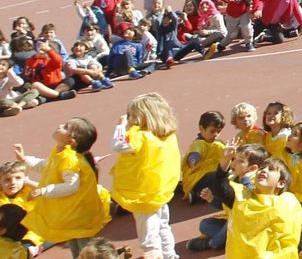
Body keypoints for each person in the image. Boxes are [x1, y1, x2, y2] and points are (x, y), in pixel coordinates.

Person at [20, 118, 112, 254]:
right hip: (70, 212)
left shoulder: (70, 159)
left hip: (78, 214)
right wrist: (25, 159)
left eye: (65, 127)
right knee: (74, 245)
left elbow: (71, 186)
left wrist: (44, 190)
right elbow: (48, 166)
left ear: (71, 141)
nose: (60, 125)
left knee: (86, 249)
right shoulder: (61, 153)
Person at [110, 92, 182, 259]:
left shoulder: (141, 136)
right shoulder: (166, 134)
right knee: (163, 226)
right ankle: (170, 255)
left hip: (144, 193)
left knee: (148, 235)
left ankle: (154, 255)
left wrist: (120, 126)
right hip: (160, 190)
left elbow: (119, 145)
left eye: (132, 115)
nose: (130, 119)